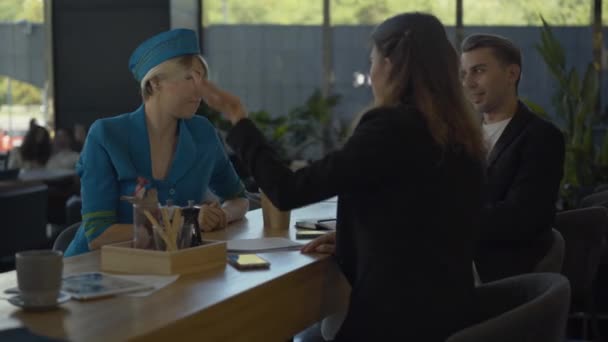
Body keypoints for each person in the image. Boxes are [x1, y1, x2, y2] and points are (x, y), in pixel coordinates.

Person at [200, 13, 485, 341]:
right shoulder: (461, 134)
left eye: (372, 60)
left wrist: (237, 119)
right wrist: (355, 237)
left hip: (394, 323)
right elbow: (423, 217)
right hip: (452, 315)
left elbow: (288, 190)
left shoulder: (389, 128)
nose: (371, 72)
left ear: (391, 65)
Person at [64, 29, 248, 257]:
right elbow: (98, 234)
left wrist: (222, 215)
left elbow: (238, 197)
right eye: (189, 77)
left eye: (202, 78)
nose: (200, 89)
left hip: (170, 267)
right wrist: (185, 221)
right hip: (90, 270)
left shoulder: (203, 132)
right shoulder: (106, 135)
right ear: (154, 83)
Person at [460, 34, 565, 282]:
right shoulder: (461, 136)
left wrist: (451, 222)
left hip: (502, 272)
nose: (468, 83)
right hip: (457, 261)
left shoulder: (541, 137)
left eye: (478, 71)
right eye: (464, 73)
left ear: (511, 74)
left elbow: (523, 217)